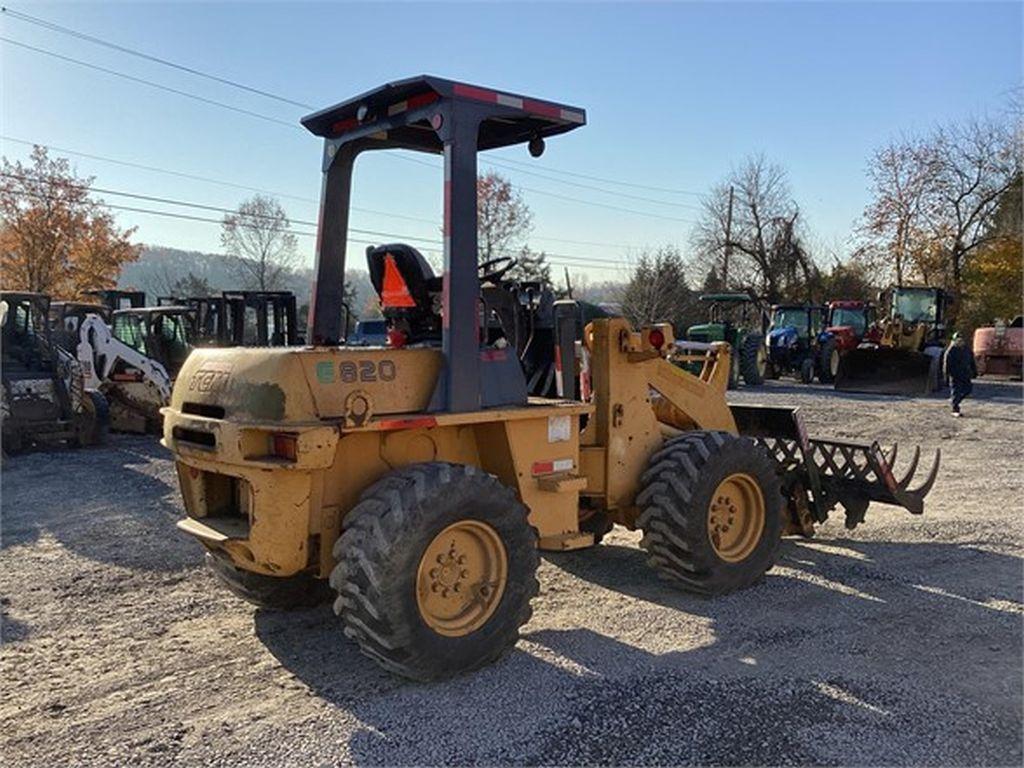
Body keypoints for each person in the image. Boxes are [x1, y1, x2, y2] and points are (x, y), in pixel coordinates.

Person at [943, 332, 977, 417]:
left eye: (961, 340)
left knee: (968, 389)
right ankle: (955, 409)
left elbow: (971, 361)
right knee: (956, 391)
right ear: (954, 340)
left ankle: (956, 401)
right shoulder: (951, 350)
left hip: (965, 374)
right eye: (957, 340)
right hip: (955, 375)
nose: (959, 341)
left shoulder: (967, 349)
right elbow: (946, 364)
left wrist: (974, 371)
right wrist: (946, 376)